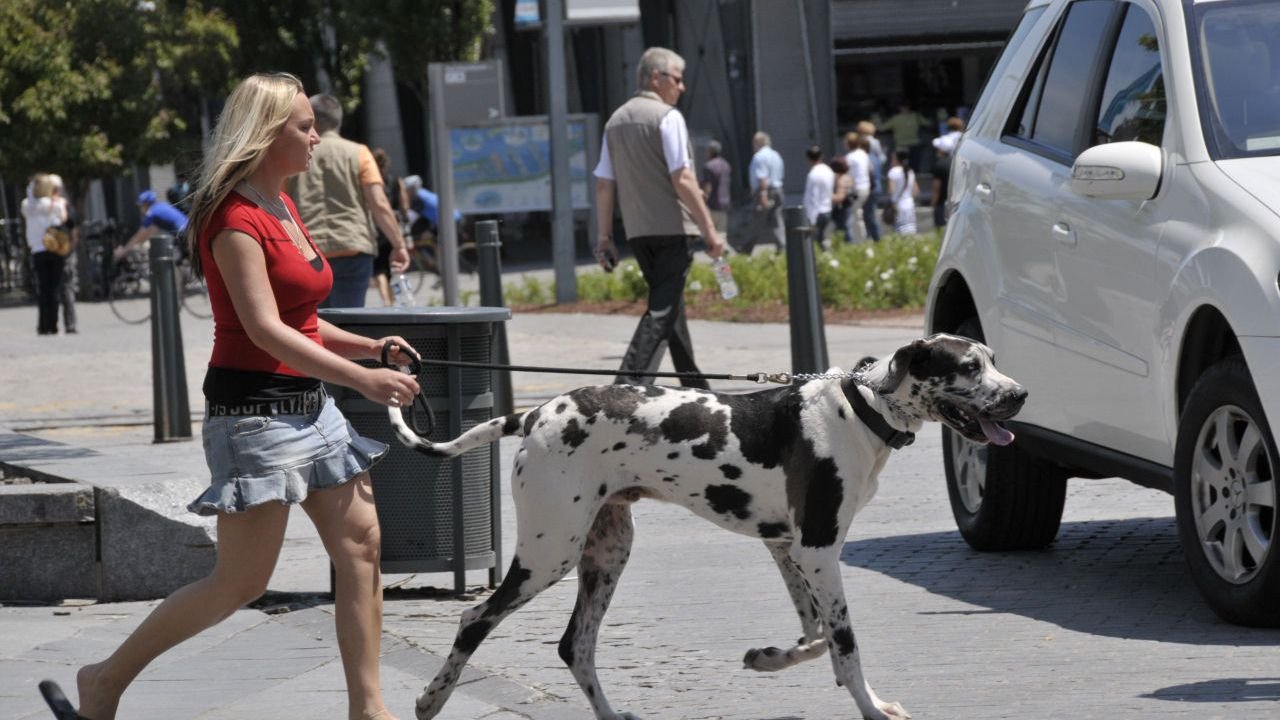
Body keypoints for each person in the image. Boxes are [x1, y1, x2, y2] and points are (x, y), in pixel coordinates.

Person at [39, 71, 420, 720]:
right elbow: (264, 329)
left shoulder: (282, 203)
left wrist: (369, 347)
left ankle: (369, 710)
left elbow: (300, 318)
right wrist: (363, 379)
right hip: (254, 418)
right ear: (267, 133)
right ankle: (103, 680)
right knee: (239, 583)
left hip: (312, 407)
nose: (316, 137)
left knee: (362, 548)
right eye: (305, 127)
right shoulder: (233, 217)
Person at [593, 46, 726, 389]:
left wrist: (604, 237)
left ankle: (696, 389)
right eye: (677, 79)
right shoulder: (668, 117)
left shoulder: (614, 121)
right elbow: (682, 177)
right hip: (673, 228)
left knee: (669, 306)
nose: (682, 87)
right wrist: (710, 230)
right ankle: (625, 386)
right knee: (662, 311)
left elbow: (604, 184)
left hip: (638, 232)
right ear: (656, 77)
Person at [286, 94, 408, 308]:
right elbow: (379, 203)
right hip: (353, 246)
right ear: (338, 120)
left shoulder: (293, 155)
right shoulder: (359, 153)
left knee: (315, 320)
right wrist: (399, 245)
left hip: (309, 249)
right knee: (349, 319)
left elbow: (280, 200)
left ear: (312, 121)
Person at [21, 173, 69, 335]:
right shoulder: (56, 203)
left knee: (43, 288)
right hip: (54, 248)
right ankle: (53, 324)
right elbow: (63, 219)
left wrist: (32, 188)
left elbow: (28, 199)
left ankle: (42, 325)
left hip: (38, 250)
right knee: (54, 288)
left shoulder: (27, 205)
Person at [370, 148, 409, 306]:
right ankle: (391, 301)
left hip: (375, 227)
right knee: (391, 266)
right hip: (392, 226)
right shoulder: (395, 181)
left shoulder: (370, 180)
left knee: (378, 267)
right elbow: (404, 205)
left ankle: (386, 300)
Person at [112, 189, 188, 262]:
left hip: (183, 234)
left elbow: (140, 235)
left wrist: (124, 250)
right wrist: (137, 244)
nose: (141, 208)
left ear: (146, 204)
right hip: (187, 230)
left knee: (171, 262)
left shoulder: (152, 212)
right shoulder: (161, 206)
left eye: (141, 205)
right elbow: (150, 233)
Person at [50, 175, 78, 333]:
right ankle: (58, 324)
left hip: (61, 251)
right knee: (62, 288)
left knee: (64, 288)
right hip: (55, 251)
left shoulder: (63, 206)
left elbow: (73, 228)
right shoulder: (46, 206)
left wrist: (70, 249)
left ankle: (67, 324)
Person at [748, 131, 785, 248]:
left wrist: (763, 195)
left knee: (758, 220)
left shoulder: (759, 156)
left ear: (758, 142)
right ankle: (782, 246)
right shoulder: (776, 155)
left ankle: (746, 248)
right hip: (778, 189)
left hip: (765, 191)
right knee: (777, 220)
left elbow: (762, 178)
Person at [930, 117, 965, 231]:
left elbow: (936, 187)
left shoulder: (945, 140)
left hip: (946, 169)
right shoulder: (964, 138)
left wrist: (933, 202)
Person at [880, 101, 928, 176]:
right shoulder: (916, 116)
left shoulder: (896, 118)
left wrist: (876, 122)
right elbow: (928, 123)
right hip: (913, 144)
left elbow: (882, 128)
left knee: (900, 165)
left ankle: (902, 178)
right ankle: (913, 178)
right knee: (914, 165)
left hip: (902, 145)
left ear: (900, 108)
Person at [857, 120, 885, 242]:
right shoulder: (876, 144)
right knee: (869, 212)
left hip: (868, 184)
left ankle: (874, 237)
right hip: (876, 181)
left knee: (868, 213)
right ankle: (873, 236)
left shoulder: (865, 154)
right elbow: (882, 157)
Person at [802, 144, 834, 246]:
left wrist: (812, 220)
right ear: (821, 156)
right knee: (824, 239)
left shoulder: (813, 174)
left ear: (808, 158)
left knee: (816, 243)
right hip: (827, 209)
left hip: (817, 213)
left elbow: (813, 198)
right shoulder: (828, 170)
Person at [843, 132, 872, 243]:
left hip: (856, 189)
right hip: (866, 187)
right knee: (860, 213)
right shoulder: (864, 154)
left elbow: (847, 174)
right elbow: (869, 170)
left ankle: (860, 240)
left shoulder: (849, 157)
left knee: (856, 215)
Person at [700, 139, 731, 235]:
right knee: (722, 233)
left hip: (712, 204)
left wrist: (703, 202)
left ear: (710, 151)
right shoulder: (726, 165)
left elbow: (707, 186)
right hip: (724, 203)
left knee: (710, 233)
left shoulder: (708, 166)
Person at [886, 149, 919, 236]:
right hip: (910, 205)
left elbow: (891, 190)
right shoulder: (910, 171)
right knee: (911, 230)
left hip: (898, 206)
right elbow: (916, 191)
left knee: (899, 232)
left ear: (897, 159)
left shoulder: (893, 172)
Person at [828, 156, 854, 244]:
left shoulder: (841, 180)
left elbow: (840, 197)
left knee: (843, 230)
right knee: (845, 229)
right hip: (848, 207)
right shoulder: (848, 177)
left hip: (842, 209)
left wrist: (827, 195)